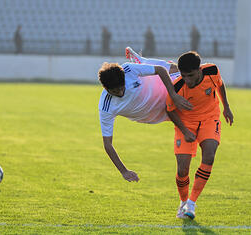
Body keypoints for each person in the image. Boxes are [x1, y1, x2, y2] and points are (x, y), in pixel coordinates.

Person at [99, 47, 193, 182]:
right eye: (115, 91)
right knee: (171, 72)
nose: (120, 93)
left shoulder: (128, 70)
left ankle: (142, 61)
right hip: (154, 114)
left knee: (182, 71)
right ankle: (142, 62)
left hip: (163, 88)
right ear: (106, 88)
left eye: (121, 87)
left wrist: (173, 94)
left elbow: (160, 71)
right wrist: (124, 171)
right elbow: (108, 144)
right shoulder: (106, 106)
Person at [165, 51, 233, 219]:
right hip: (186, 123)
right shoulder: (177, 86)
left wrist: (226, 107)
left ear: (199, 70)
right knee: (182, 170)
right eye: (184, 76)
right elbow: (170, 110)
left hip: (210, 118)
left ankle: (192, 203)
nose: (187, 80)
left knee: (209, 155)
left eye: (191, 75)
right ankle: (183, 201)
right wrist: (185, 130)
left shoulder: (211, 71)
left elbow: (220, 83)